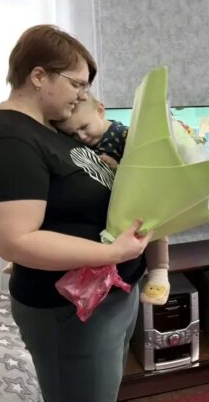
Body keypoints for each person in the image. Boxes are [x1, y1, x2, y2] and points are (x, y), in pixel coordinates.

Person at [0, 24, 155, 401]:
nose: (83, 95)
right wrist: (111, 252)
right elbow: (15, 241)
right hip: (69, 311)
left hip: (109, 296)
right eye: (77, 84)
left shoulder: (51, 128)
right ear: (39, 76)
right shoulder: (9, 141)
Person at [53, 95, 171, 305]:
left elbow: (147, 171)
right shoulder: (77, 143)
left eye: (84, 127)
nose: (81, 136)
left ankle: (159, 273)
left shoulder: (126, 136)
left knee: (153, 228)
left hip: (136, 201)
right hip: (106, 208)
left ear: (100, 110)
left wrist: (117, 168)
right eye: (73, 133)